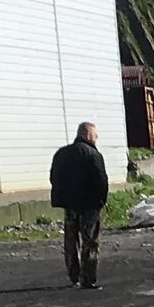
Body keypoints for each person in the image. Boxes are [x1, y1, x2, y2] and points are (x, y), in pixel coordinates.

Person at [48, 121, 111, 290]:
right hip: (89, 205)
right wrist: (100, 202)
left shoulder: (61, 154)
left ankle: (73, 275)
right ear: (89, 135)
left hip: (70, 204)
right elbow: (101, 180)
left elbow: (54, 177)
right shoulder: (93, 155)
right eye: (95, 135)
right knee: (90, 241)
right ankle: (88, 278)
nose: (96, 139)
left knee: (70, 240)